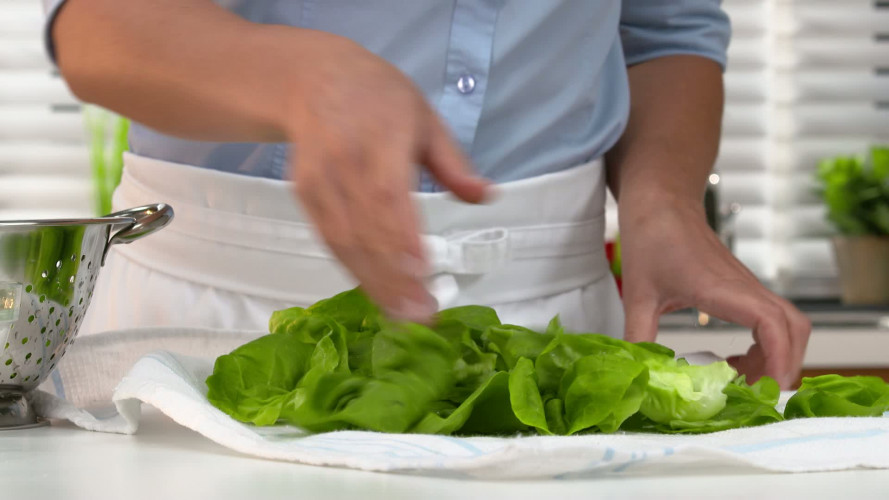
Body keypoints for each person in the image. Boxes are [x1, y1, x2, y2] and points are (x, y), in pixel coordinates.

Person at [43, 0, 810, 388]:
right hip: (212, 320)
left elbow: (663, 31)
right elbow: (93, 28)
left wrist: (662, 202)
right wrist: (293, 76)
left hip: (555, 325)